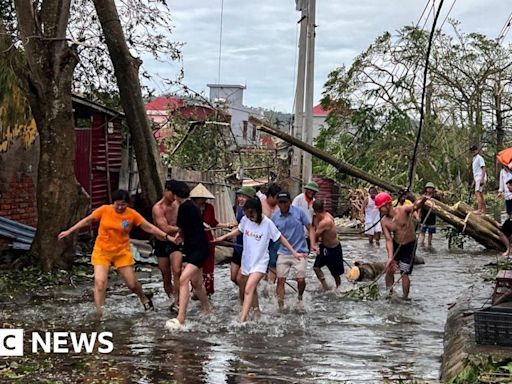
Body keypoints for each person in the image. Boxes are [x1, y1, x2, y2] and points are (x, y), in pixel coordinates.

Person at [58, 189, 172, 318]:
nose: (120, 207)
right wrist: (69, 231)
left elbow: (149, 227)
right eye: (117, 204)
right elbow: (87, 220)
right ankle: (100, 313)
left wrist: (167, 237)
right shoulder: (104, 210)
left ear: (128, 204)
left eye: (123, 204)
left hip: (121, 252)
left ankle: (143, 297)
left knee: (132, 284)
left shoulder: (132, 215)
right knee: (100, 283)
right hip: (102, 251)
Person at [215, 198, 303, 322]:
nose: (250, 217)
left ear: (258, 211)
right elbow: (239, 230)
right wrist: (223, 237)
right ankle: (257, 313)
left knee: (248, 288)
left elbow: (279, 237)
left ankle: (242, 320)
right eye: (247, 214)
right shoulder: (245, 220)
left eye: (253, 214)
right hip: (247, 261)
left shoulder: (267, 223)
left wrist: (293, 252)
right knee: (249, 287)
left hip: (260, 263)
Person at [167, 180, 212, 326]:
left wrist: (178, 236)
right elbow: (187, 229)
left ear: (174, 194)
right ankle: (207, 308)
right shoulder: (191, 206)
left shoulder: (185, 207)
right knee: (197, 282)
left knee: (183, 279)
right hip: (195, 248)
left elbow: (181, 228)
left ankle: (181, 317)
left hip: (198, 249)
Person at [376, 191, 429, 300]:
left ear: (388, 204)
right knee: (390, 269)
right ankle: (389, 293)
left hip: (409, 245)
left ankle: (405, 298)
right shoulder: (384, 222)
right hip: (396, 244)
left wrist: (423, 199)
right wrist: (390, 257)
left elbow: (415, 206)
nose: (379, 210)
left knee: (404, 272)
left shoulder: (402, 210)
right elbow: (388, 240)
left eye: (381, 207)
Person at [272, 191, 315, 310]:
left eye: (285, 202)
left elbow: (310, 228)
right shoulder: (275, 216)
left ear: (289, 203)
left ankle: (300, 296)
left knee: (300, 279)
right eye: (280, 203)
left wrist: (313, 244)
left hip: (300, 251)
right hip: (283, 252)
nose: (282, 205)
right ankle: (280, 306)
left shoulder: (299, 212)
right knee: (280, 279)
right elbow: (270, 234)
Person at [190, 183, 235, 297]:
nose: (202, 200)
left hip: (208, 240)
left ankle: (208, 291)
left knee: (209, 266)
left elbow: (214, 223)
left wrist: (227, 225)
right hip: (194, 241)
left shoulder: (209, 208)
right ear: (194, 199)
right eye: (200, 198)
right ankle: (195, 289)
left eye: (204, 198)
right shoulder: (189, 209)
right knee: (194, 267)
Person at [152, 180, 182, 311]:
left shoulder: (178, 204)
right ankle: (171, 297)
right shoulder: (158, 208)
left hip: (176, 242)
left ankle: (178, 301)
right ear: (166, 191)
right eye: (172, 193)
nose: (174, 197)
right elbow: (163, 227)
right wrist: (181, 228)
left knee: (177, 270)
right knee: (166, 274)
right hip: (161, 242)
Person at [231, 186, 257, 302]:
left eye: (243, 197)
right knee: (233, 278)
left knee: (240, 278)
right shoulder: (239, 209)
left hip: (247, 250)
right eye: (239, 196)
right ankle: (250, 290)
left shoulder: (254, 214)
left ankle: (244, 303)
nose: (240, 199)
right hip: (238, 247)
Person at [312, 200, 345, 290]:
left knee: (335, 273)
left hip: (334, 248)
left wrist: (314, 245)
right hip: (324, 247)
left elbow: (316, 234)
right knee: (316, 267)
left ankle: (338, 288)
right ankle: (325, 286)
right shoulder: (324, 216)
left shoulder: (326, 221)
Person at [259, 183, 282, 283]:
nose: (278, 201)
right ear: (270, 196)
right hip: (261, 238)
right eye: (276, 198)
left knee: (273, 262)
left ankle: (270, 285)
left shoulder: (280, 206)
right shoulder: (260, 202)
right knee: (261, 262)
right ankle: (261, 282)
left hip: (275, 238)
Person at [292, 181, 319, 249]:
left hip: (308, 233)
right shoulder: (298, 199)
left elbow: (314, 218)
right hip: (298, 233)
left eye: (314, 191)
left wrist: (316, 232)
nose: (312, 192)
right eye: (310, 190)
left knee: (306, 253)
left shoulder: (314, 202)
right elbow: (292, 214)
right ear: (306, 190)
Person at [419, 182, 437, 248]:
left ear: (433, 189)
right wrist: (419, 214)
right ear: (426, 189)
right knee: (422, 231)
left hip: (432, 217)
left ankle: (429, 244)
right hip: (424, 215)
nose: (429, 190)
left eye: (431, 188)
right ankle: (421, 243)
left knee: (430, 232)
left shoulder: (435, 197)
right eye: (428, 188)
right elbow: (419, 206)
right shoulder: (423, 196)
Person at [470, 144, 487, 214]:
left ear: (477, 150)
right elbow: (475, 171)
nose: (473, 152)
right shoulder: (474, 159)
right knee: (480, 194)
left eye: (474, 150)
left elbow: (483, 168)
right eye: (472, 151)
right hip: (477, 178)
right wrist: (473, 182)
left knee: (477, 193)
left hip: (480, 177)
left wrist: (482, 179)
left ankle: (479, 210)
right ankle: (483, 210)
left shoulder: (479, 158)